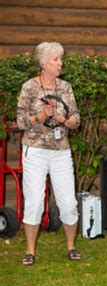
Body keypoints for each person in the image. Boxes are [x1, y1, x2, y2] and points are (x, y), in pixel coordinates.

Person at [17, 42, 81, 266]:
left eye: (60, 59)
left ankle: (71, 247)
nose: (60, 63)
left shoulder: (66, 88)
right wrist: (42, 115)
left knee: (68, 202)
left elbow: (76, 120)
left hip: (61, 152)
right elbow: (21, 122)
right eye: (56, 60)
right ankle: (30, 250)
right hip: (34, 151)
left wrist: (62, 119)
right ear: (44, 64)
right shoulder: (29, 88)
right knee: (34, 201)